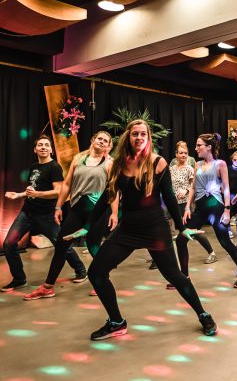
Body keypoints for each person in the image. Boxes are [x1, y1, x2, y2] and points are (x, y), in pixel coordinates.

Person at [86, 120, 217, 339]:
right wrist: (86, 226)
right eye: (135, 134)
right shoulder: (118, 163)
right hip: (128, 228)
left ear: (148, 138)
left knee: (175, 276)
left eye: (143, 134)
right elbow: (108, 196)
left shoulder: (158, 162)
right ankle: (117, 322)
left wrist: (181, 227)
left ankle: (204, 315)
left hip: (155, 228)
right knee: (96, 272)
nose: (139, 137)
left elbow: (170, 197)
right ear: (128, 137)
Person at [23, 131, 116, 301]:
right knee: (61, 243)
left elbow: (114, 191)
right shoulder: (78, 158)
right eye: (99, 138)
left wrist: (114, 213)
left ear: (109, 146)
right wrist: (59, 206)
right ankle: (48, 287)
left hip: (99, 210)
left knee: (93, 245)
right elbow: (66, 185)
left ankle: (103, 280)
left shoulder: (110, 163)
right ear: (93, 140)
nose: (102, 142)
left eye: (106, 141)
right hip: (77, 207)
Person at [1, 135, 86, 292]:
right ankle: (19, 279)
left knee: (61, 245)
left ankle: (81, 270)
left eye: (47, 145)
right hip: (27, 213)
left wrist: (36, 194)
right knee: (8, 244)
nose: (43, 147)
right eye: (40, 145)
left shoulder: (54, 167)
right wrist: (19, 195)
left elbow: (58, 192)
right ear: (35, 149)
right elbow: (33, 190)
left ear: (51, 150)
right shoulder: (34, 167)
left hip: (46, 215)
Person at [176, 133, 237, 288]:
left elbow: (227, 188)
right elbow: (193, 188)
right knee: (182, 238)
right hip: (200, 208)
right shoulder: (197, 164)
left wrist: (227, 210)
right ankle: (184, 277)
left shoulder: (220, 164)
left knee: (224, 242)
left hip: (215, 206)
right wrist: (188, 207)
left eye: (199, 145)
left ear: (208, 147)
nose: (195, 148)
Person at [169, 141, 217, 266]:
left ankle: (212, 253)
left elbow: (194, 185)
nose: (183, 155)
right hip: (173, 203)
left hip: (185, 204)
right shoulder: (172, 169)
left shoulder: (190, 169)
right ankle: (157, 258)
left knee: (192, 231)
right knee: (164, 227)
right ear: (176, 154)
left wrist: (185, 190)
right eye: (181, 153)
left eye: (185, 153)